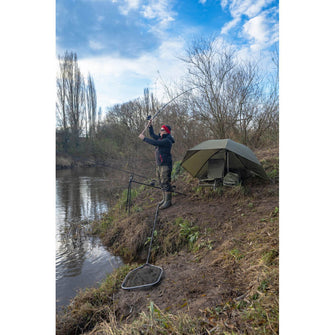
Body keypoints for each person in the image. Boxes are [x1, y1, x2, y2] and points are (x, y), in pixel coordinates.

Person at [138, 120, 175, 209]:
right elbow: (152, 135)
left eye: (162, 130)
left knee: (165, 182)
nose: (160, 131)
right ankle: (164, 199)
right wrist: (150, 126)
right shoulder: (161, 138)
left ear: (166, 131)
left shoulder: (167, 140)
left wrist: (144, 138)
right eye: (160, 129)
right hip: (159, 164)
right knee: (161, 182)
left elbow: (155, 143)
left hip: (165, 164)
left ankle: (168, 201)